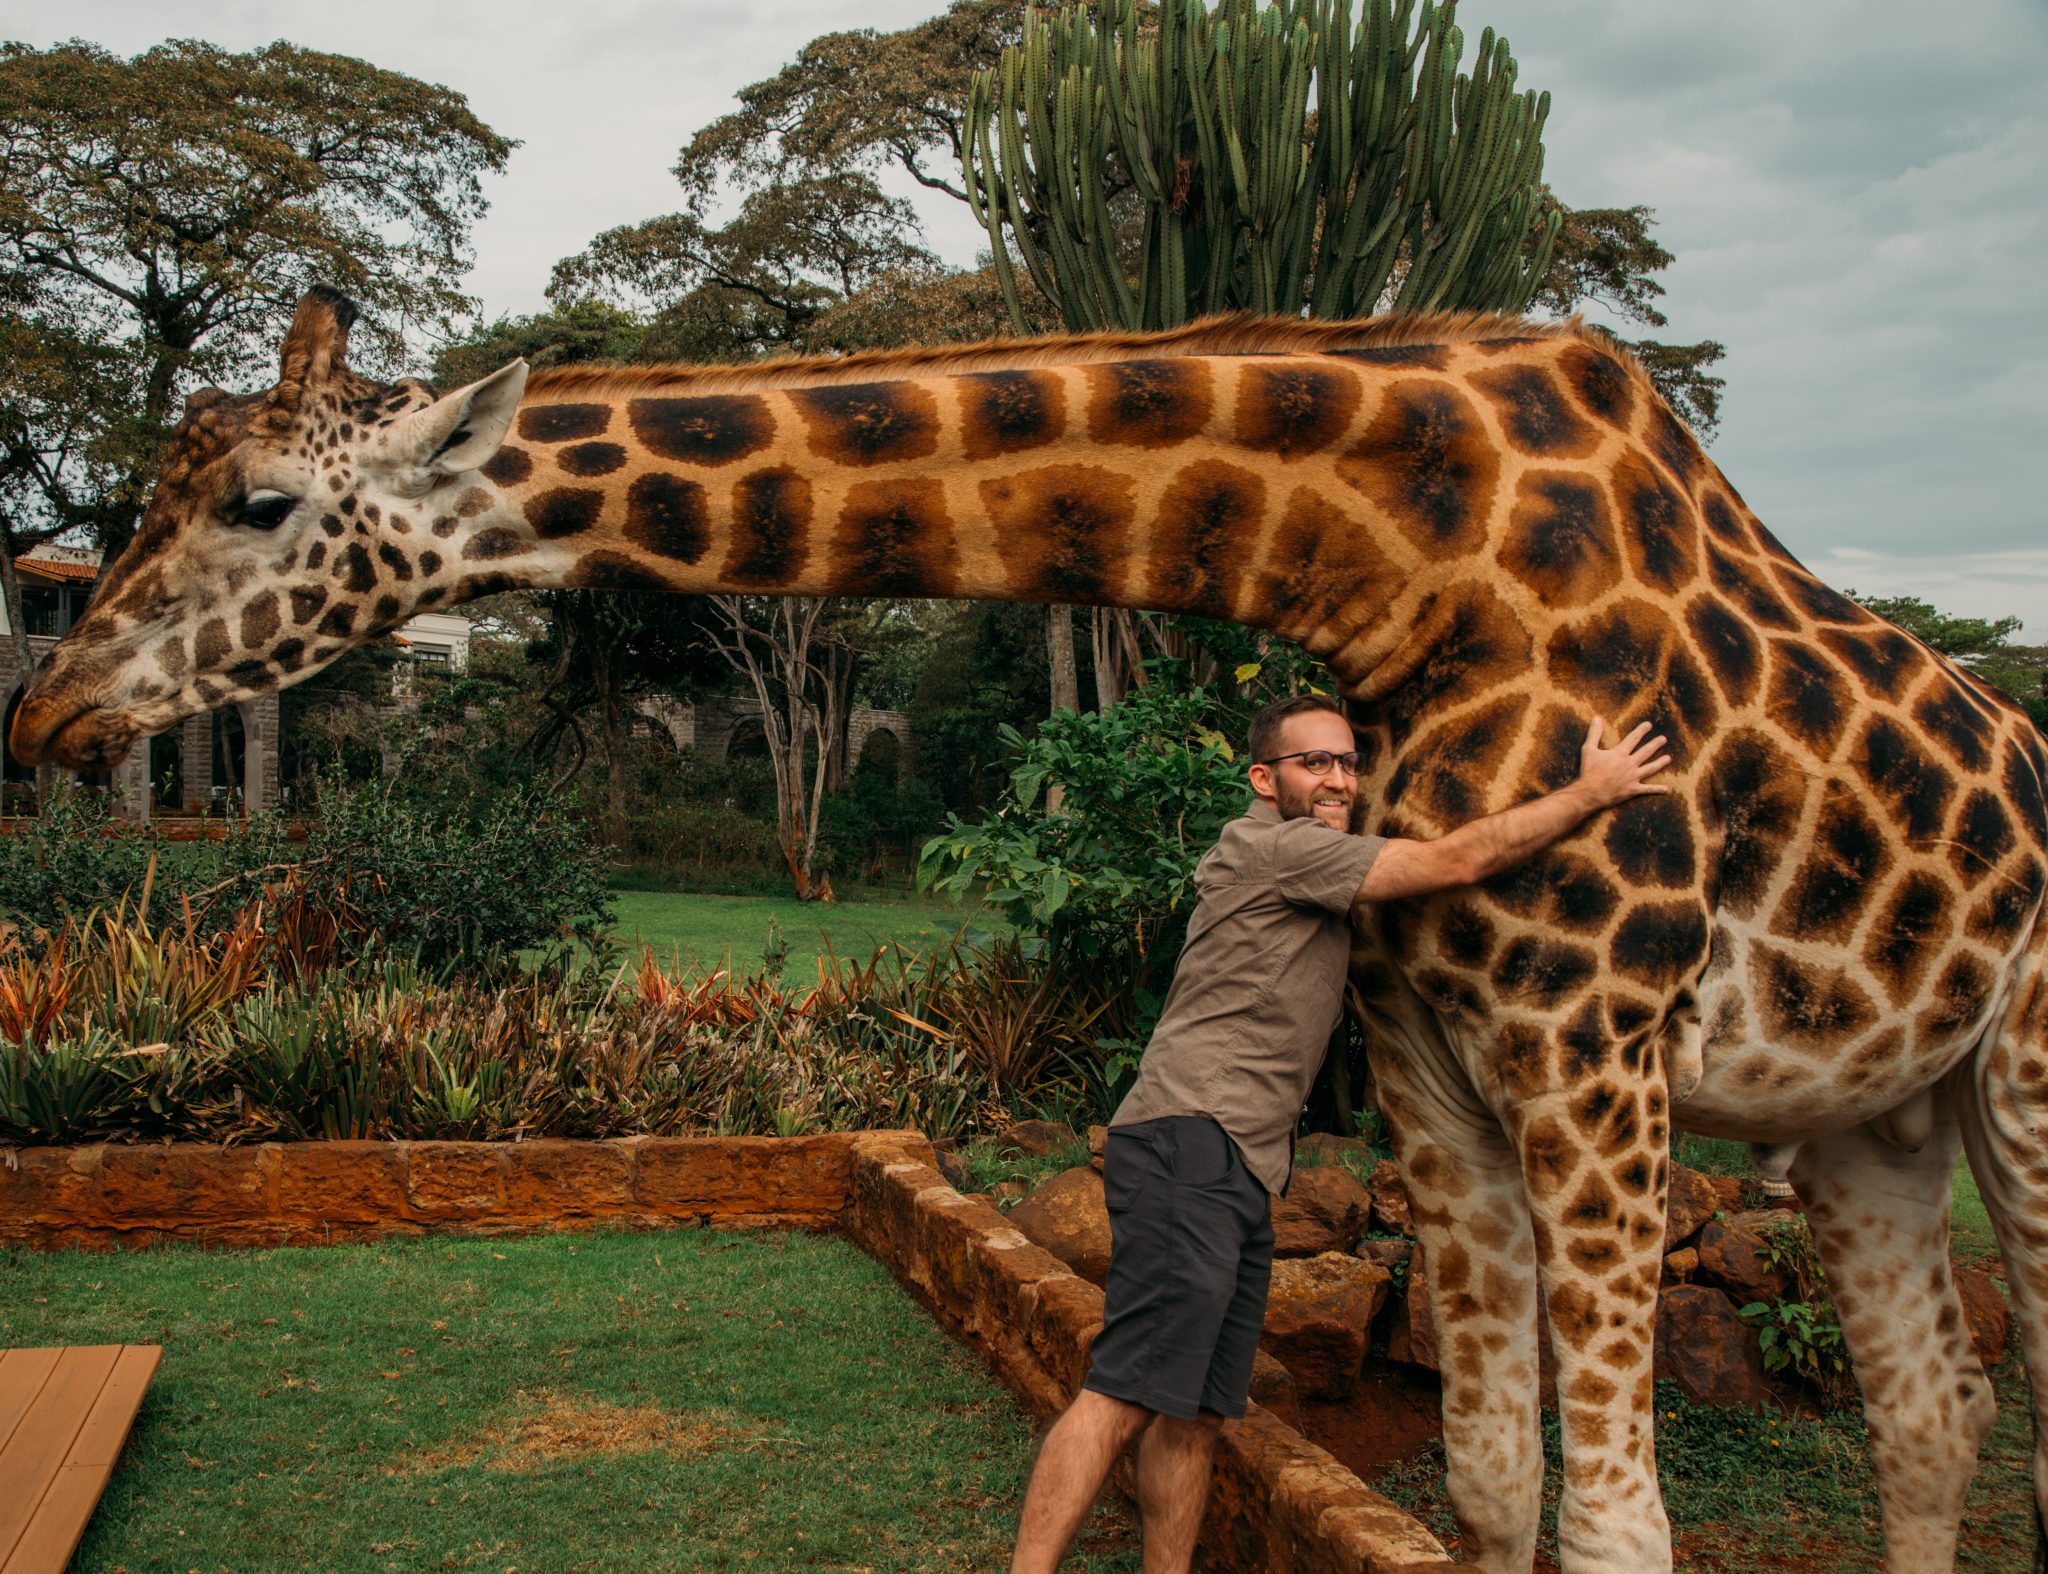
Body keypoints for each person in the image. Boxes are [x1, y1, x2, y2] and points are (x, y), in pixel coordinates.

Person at [1009, 694, 1671, 1574]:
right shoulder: (1280, 849)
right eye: (1313, 762)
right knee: (1125, 1390)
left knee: (1195, 1412)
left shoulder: (1304, 856)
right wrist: (1590, 793)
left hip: (1234, 1160)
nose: (1337, 779)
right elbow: (1459, 858)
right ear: (1264, 778)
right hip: (1190, 1143)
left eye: (1348, 763)